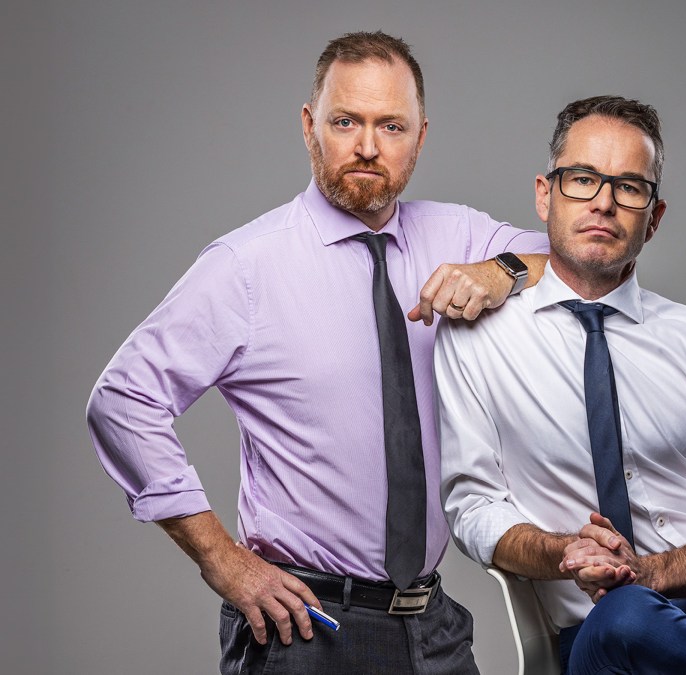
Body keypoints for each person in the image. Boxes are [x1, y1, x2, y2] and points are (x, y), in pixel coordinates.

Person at [86, 31, 549, 674]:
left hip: (432, 628)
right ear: (309, 126)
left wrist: (502, 271)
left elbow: (572, 258)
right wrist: (221, 559)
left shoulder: (458, 233)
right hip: (306, 626)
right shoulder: (246, 266)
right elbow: (123, 399)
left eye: (391, 125)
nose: (367, 146)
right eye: (345, 121)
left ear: (420, 136)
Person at [436, 95, 686, 674]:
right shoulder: (477, 338)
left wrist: (647, 573)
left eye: (629, 187)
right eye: (582, 179)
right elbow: (474, 506)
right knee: (627, 617)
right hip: (606, 629)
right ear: (545, 193)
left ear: (655, 214)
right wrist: (566, 553)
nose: (603, 201)